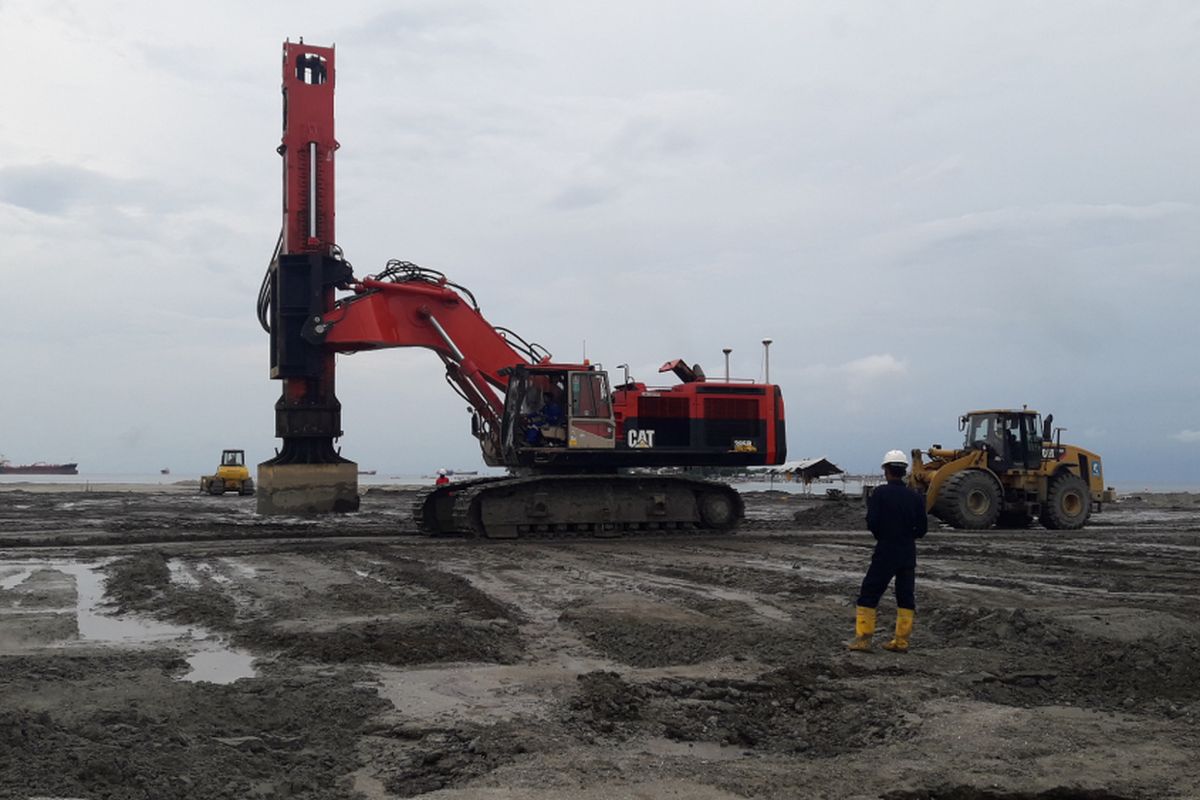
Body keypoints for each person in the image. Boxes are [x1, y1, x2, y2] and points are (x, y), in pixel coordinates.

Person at [849, 449, 928, 653]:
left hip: (886, 550)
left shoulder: (880, 494)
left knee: (869, 592)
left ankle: (863, 639)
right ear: (904, 471)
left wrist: (883, 535)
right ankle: (901, 641)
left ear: (886, 470)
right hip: (908, 552)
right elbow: (922, 529)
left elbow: (873, 522)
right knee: (905, 596)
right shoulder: (916, 497)